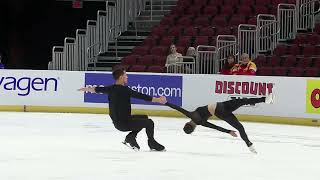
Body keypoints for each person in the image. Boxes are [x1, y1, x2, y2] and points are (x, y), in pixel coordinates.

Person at [78, 66, 167, 151]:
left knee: (144, 117)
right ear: (121, 77)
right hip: (124, 123)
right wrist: (158, 100)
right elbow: (141, 96)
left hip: (119, 122)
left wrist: (86, 89)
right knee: (149, 122)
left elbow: (96, 89)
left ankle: (130, 137)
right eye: (125, 75)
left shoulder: (111, 89)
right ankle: (152, 143)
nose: (127, 77)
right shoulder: (125, 90)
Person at [165, 93, 275, 154]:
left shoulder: (201, 123)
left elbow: (215, 127)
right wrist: (165, 102)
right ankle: (265, 99)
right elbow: (177, 108)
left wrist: (228, 131)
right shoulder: (190, 115)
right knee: (243, 101)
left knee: (240, 127)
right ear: (186, 123)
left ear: (193, 129)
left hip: (221, 111)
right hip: (220, 107)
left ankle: (249, 144)